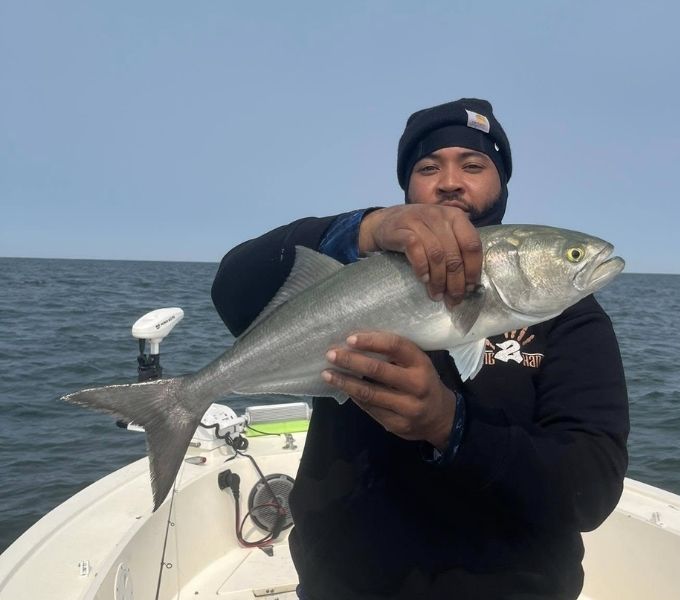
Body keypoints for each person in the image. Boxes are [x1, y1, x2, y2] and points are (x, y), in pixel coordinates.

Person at [211, 98, 629, 600]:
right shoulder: (353, 270)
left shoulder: (572, 320)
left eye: (473, 164)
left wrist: (451, 426)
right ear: (406, 189)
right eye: (428, 167)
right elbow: (231, 289)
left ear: (502, 184)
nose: (450, 181)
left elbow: (592, 489)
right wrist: (361, 229)